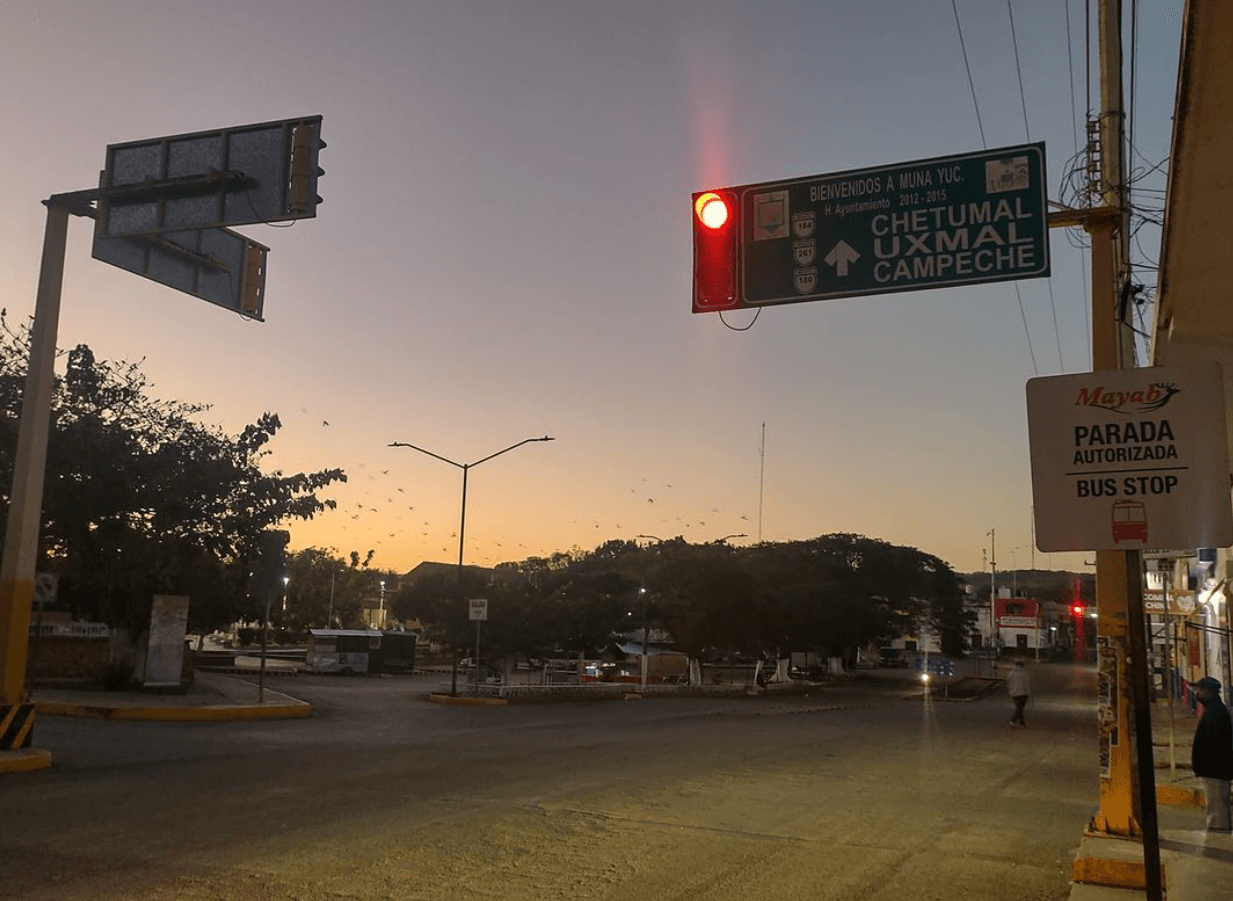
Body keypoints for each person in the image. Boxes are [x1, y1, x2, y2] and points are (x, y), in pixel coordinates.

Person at [1189, 676, 1233, 833]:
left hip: (1215, 771)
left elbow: (1216, 745)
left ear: (1209, 692)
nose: (1198, 694)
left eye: (1201, 690)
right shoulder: (1214, 710)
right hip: (1213, 771)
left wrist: (1206, 767)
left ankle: (1220, 837)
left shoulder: (1216, 713)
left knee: (1218, 811)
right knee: (1216, 808)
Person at [1006, 660, 1030, 727]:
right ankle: (1013, 720)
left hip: (1013, 693)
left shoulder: (1011, 673)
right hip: (1022, 693)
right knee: (1020, 708)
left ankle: (1022, 722)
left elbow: (1008, 682)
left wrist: (1010, 690)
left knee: (1019, 708)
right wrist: (1028, 692)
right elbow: (1026, 684)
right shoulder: (1024, 674)